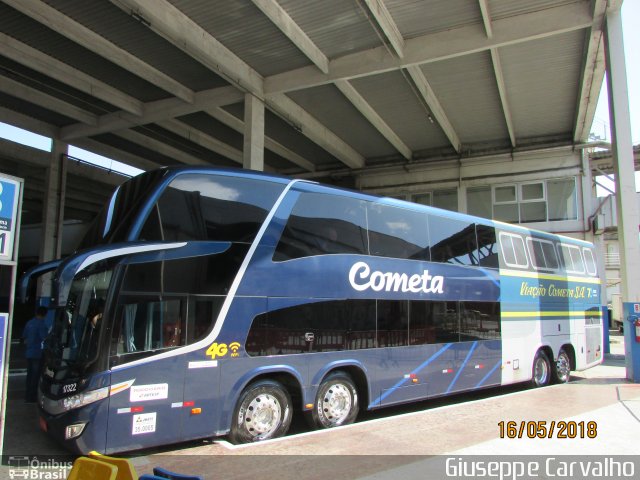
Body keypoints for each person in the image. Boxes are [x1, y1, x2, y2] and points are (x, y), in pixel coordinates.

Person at [22, 306, 48, 403]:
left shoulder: (29, 323)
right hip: (37, 353)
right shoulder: (41, 324)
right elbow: (44, 337)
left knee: (29, 375)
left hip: (29, 353)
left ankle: (27, 396)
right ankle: (32, 397)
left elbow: (24, 336)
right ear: (45, 314)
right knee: (35, 376)